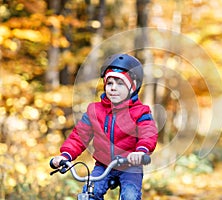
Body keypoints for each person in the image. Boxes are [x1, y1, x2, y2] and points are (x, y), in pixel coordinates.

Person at [51, 53, 158, 200]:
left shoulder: (140, 112)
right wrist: (65, 155)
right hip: (103, 165)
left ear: (133, 87)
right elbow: (79, 136)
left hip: (130, 166)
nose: (113, 88)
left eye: (120, 83)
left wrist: (141, 151)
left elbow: (148, 133)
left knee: (130, 196)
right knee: (90, 193)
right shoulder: (95, 111)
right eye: (109, 83)